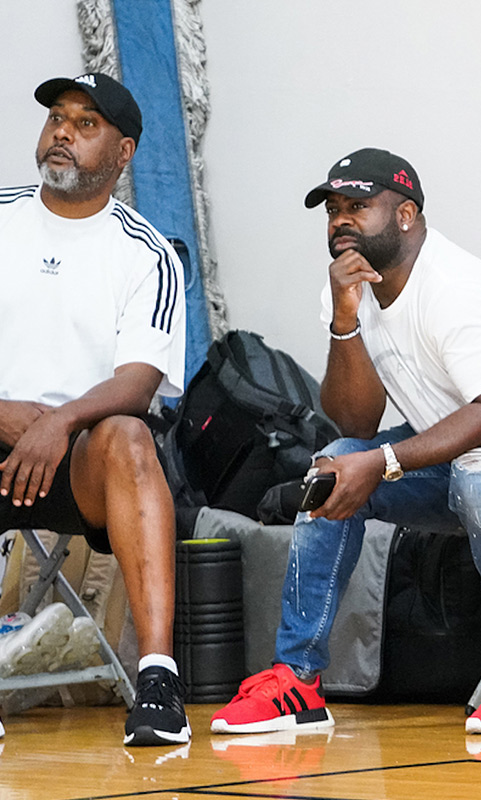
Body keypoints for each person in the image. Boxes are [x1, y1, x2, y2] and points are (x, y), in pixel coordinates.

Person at [211, 148, 481, 736]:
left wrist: (386, 462)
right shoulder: (352, 287)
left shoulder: (452, 286)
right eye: (333, 209)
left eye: (358, 207)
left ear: (406, 215)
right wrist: (344, 319)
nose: (341, 221)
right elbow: (354, 422)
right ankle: (297, 681)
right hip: (465, 459)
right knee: (332, 468)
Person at [0, 73, 189, 746]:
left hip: (73, 461)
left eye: (86, 125)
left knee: (130, 438)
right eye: (58, 117)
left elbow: (138, 384)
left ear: (123, 152)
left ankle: (159, 681)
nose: (63, 132)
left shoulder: (147, 255)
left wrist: (58, 422)